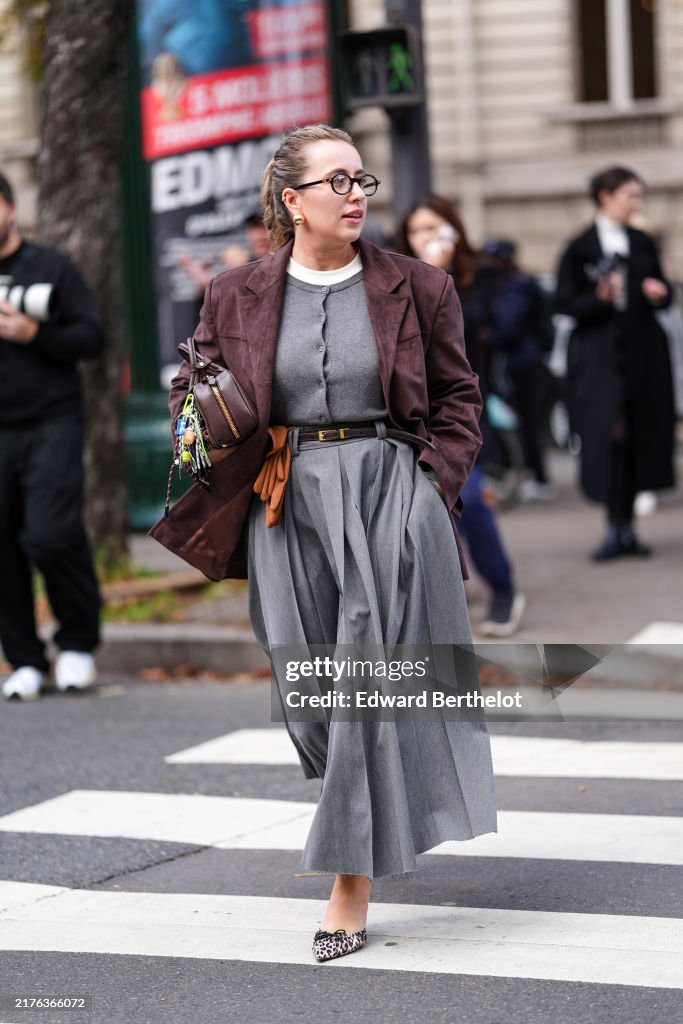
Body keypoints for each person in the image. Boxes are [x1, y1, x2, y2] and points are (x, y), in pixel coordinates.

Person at [151, 125, 497, 962]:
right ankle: (363, 802)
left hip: (385, 490)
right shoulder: (236, 291)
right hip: (283, 493)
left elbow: (458, 396)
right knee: (305, 679)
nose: (356, 194)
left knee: (363, 682)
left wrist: (429, 489)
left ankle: (349, 882)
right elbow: (195, 385)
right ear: (290, 199)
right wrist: (193, 414)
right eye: (336, 181)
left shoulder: (417, 287)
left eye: (362, 179)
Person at [397, 196, 526, 637]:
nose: (428, 238)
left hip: (463, 410)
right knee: (423, 510)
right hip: (410, 415)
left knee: (468, 500)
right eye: (418, 231)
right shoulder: (396, 283)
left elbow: (479, 334)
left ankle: (503, 588)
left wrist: (439, 275)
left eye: (436, 227)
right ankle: (451, 588)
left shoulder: (478, 280)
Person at [0, 170, 105, 700]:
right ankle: (22, 659)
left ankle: (78, 643)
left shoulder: (51, 267)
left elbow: (92, 337)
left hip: (49, 422)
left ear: (10, 209)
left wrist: (33, 333)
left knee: (50, 534)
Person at [554, 166, 675, 561]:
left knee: (639, 436)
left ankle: (629, 529)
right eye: (631, 195)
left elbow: (664, 291)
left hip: (641, 355)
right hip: (600, 358)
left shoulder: (641, 242)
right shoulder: (579, 247)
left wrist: (659, 292)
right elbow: (566, 303)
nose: (637, 204)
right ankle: (612, 526)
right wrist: (600, 300)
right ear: (606, 196)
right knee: (609, 440)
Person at [480, 238, 554, 502]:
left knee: (527, 424)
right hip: (520, 364)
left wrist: (488, 333)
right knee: (521, 424)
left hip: (524, 365)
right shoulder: (511, 286)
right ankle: (531, 474)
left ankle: (538, 478)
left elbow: (508, 327)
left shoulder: (516, 288)